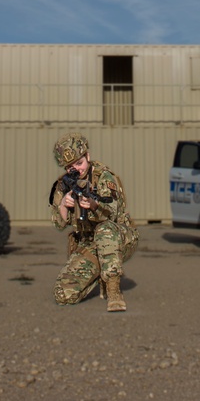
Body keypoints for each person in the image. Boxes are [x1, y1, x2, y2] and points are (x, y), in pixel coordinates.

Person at [48, 133, 139, 312]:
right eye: (69, 167)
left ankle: (113, 290)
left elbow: (112, 211)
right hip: (90, 244)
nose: (76, 170)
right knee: (63, 294)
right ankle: (100, 273)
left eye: (79, 163)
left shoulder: (104, 177)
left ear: (87, 157)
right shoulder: (63, 185)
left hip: (120, 238)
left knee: (104, 229)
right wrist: (64, 206)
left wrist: (93, 205)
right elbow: (59, 224)